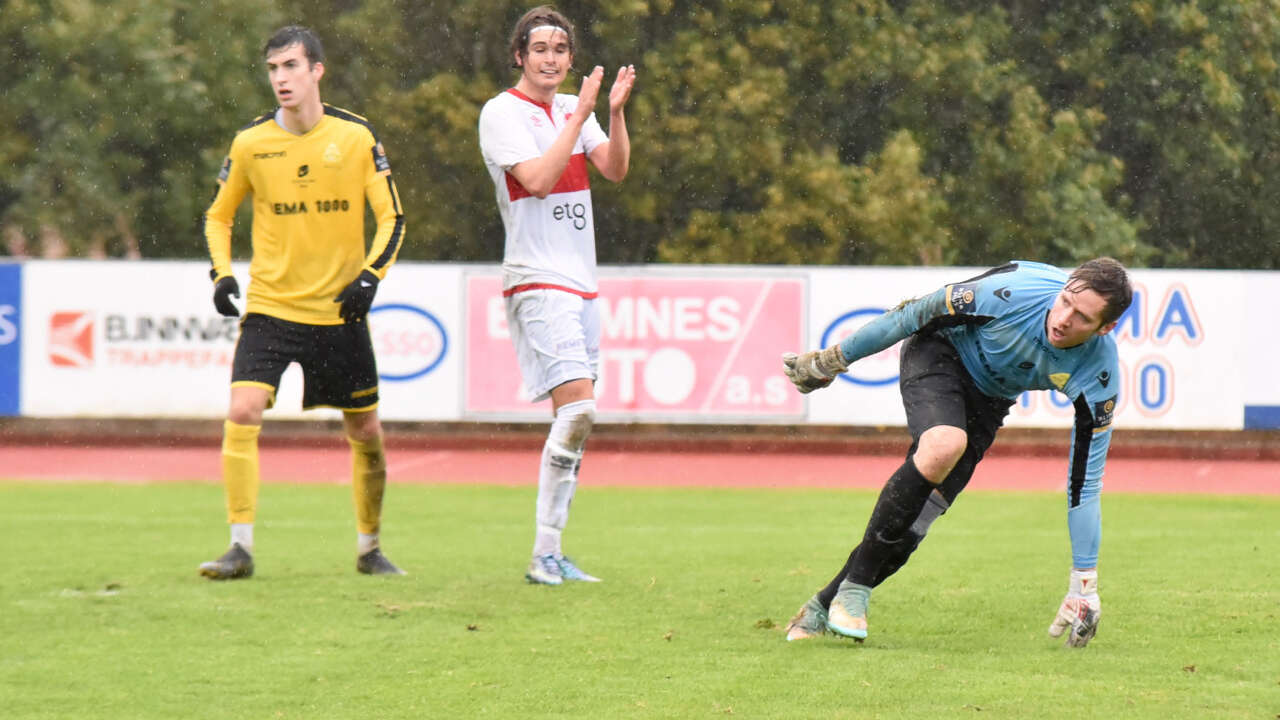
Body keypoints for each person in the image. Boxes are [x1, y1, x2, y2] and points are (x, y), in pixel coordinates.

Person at [781, 258, 1132, 647]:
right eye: (1065, 301)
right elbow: (912, 314)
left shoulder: (1099, 376)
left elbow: (1085, 484)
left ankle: (820, 607)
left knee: (914, 526)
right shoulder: (1013, 292)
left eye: (1082, 317)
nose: (1064, 319)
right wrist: (833, 360)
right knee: (944, 444)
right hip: (939, 351)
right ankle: (857, 589)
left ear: (1105, 328)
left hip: (989, 403)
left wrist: (1084, 585)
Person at [199, 25, 407, 580]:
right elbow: (218, 216)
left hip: (339, 312)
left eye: (291, 66)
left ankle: (370, 548)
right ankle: (239, 548)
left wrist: (370, 278)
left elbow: (392, 217)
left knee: (365, 431)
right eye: (273, 69)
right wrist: (222, 275)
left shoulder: (356, 137)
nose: (281, 78)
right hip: (270, 308)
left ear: (317, 70)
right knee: (242, 410)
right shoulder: (251, 143)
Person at [477, 6, 635, 585]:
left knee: (575, 419)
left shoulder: (573, 107)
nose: (551, 59)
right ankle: (543, 554)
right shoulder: (501, 112)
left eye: (560, 49)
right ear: (519, 56)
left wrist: (613, 114)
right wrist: (582, 115)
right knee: (579, 411)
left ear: (571, 58)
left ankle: (550, 551)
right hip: (536, 277)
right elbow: (538, 181)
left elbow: (614, 169)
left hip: (581, 281)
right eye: (539, 49)